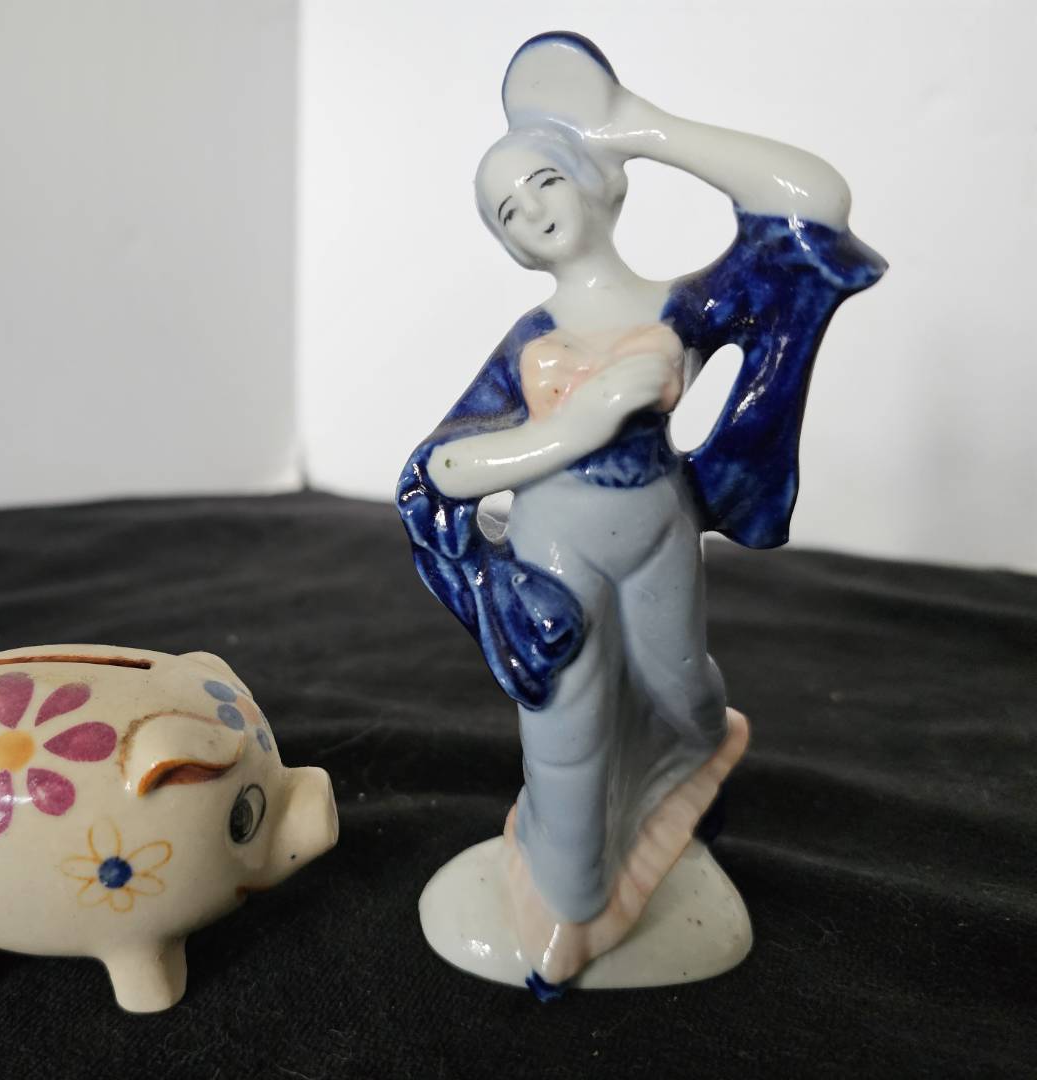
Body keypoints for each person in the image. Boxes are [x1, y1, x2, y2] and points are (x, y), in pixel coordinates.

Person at [396, 33, 885, 984]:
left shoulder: (680, 308)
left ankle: (685, 773)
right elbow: (443, 468)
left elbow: (812, 204)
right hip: (554, 545)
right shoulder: (529, 339)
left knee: (683, 695)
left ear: (595, 180)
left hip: (659, 528)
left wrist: (637, 126)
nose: (531, 210)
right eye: (506, 209)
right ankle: (571, 899)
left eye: (543, 179)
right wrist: (578, 424)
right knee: (567, 725)